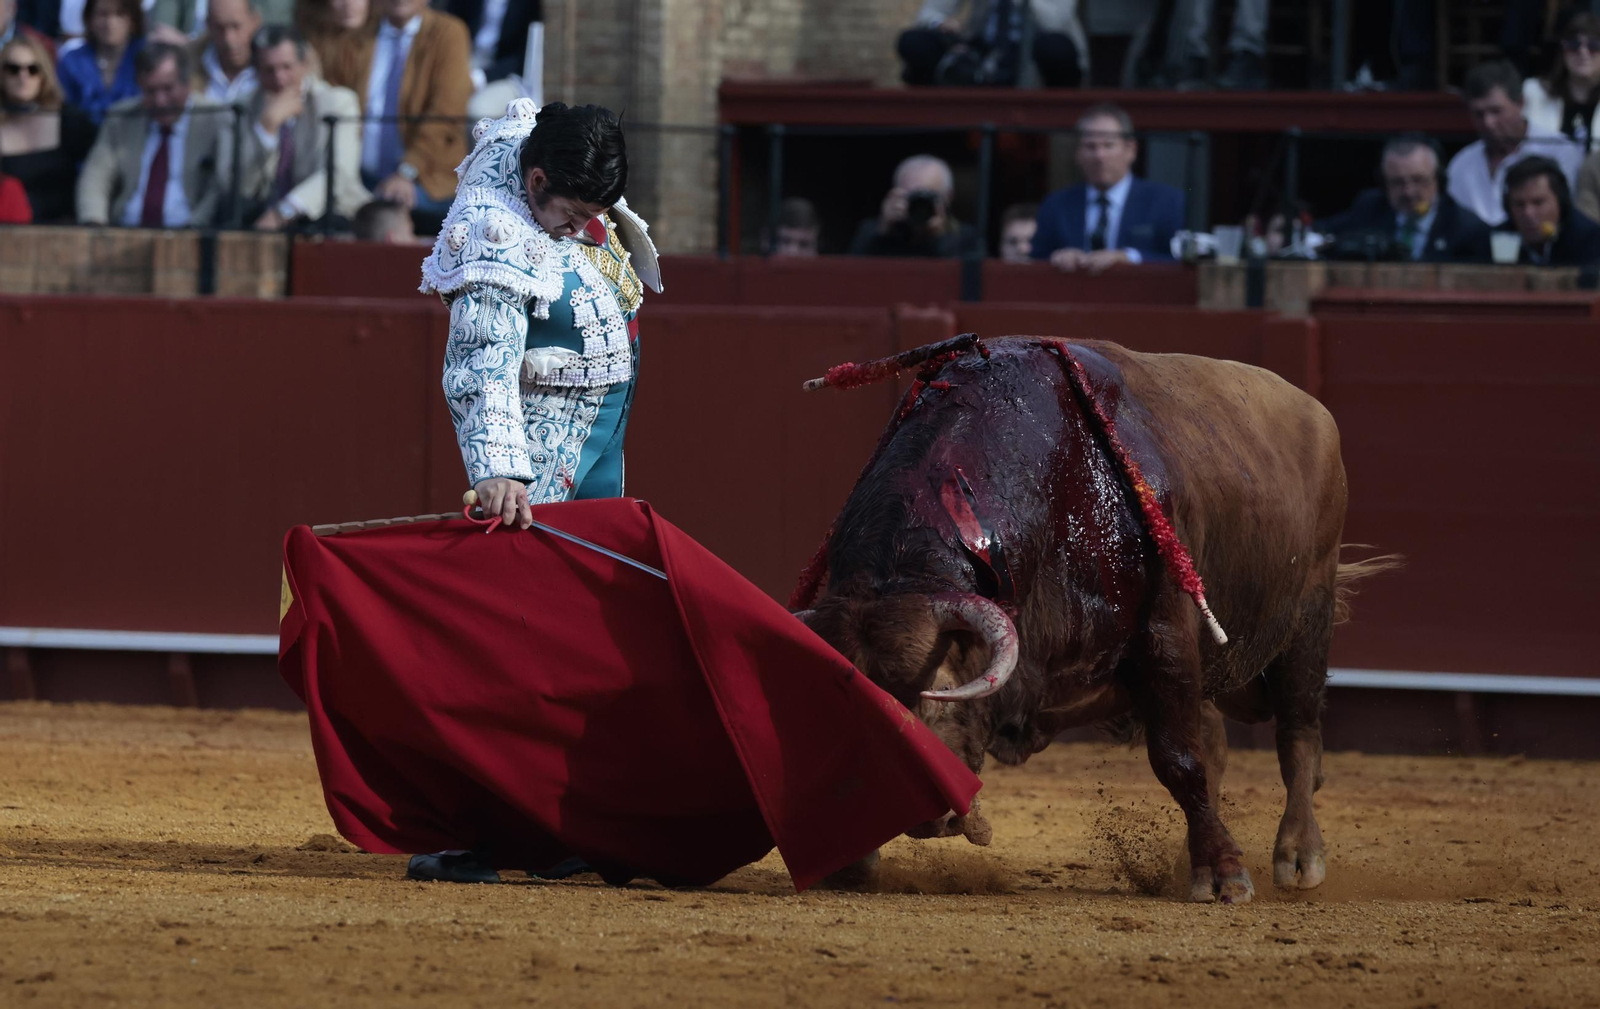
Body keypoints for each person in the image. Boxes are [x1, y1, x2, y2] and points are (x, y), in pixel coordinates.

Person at [411, 101, 662, 885]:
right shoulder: (493, 229)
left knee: (586, 638)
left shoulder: (555, 171)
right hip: (540, 454)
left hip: (597, 443)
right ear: (536, 179)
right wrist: (499, 467)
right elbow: (482, 361)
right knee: (512, 641)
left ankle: (576, 822)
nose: (585, 228)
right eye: (573, 212)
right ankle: (486, 832)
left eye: (595, 212)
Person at [322, 0, 471, 217]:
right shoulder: (359, 34)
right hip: (359, 178)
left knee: (385, 216)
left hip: (426, 180)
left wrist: (407, 172)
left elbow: (446, 115)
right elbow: (334, 98)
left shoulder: (447, 33)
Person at [75, 42, 231, 226]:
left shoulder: (215, 118)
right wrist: (94, 223)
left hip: (193, 232)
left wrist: (196, 227)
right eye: (150, 91)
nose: (160, 101)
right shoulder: (122, 118)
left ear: (187, 84)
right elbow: (96, 176)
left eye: (168, 89)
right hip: (126, 230)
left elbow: (222, 183)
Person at [237, 25, 366, 229]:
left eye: (287, 67)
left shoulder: (337, 102)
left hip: (327, 215)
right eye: (269, 70)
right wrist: (267, 130)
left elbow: (339, 173)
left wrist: (284, 211)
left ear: (304, 64)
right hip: (262, 217)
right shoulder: (243, 107)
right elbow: (236, 184)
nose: (279, 78)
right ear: (256, 71)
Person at [1031, 103, 1183, 271]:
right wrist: (1057, 257)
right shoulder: (1056, 205)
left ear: (1130, 150)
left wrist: (1130, 257)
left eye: (1108, 145)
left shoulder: (1167, 202)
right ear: (1077, 153)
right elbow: (1035, 260)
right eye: (1090, 146)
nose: (1099, 156)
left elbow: (1182, 261)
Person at [1447, 59, 1584, 228]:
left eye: (1496, 111)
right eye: (1478, 114)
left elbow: (1569, 220)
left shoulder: (1560, 151)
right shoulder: (1460, 165)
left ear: (1520, 103)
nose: (1488, 122)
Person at [1316, 136, 1491, 263]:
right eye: (1397, 182)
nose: (1408, 192)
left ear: (1438, 180)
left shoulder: (1466, 228)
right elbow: (1321, 234)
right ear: (1383, 183)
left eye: (1418, 180)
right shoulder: (1369, 208)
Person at [0, 34, 97, 222]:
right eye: (13, 69)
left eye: (33, 69)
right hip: (7, 230)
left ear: (44, 74)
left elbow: (99, 169)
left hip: (62, 229)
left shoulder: (69, 120)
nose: (23, 77)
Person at [897, 0, 1086, 88]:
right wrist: (941, 23)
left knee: (1055, 48)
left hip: (1037, 56)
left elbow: (1056, 21)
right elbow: (928, 14)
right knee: (914, 42)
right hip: (982, 51)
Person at [848, 154, 981, 258]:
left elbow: (966, 278)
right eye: (911, 196)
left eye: (928, 196)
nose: (919, 205)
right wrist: (882, 232)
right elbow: (852, 273)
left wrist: (940, 238)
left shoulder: (966, 238)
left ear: (948, 197)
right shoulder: (874, 231)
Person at [56, 0, 146, 124]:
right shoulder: (72, 61)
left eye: (120, 14)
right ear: (89, 19)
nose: (110, 23)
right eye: (103, 14)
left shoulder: (146, 56)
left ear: (133, 20)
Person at [1522, 13, 1600, 155]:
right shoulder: (1534, 91)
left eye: (1593, 45)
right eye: (1574, 45)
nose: (1583, 52)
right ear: (1563, 51)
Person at [1503, 155, 1600, 267]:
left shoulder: (1590, 240)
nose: (1528, 213)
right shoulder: (1498, 240)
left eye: (1538, 202)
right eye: (1519, 205)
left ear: (1561, 201)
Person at [443, 0, 538, 87]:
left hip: (504, 73)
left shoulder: (527, 4)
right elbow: (451, 24)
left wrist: (481, 77)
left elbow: (524, 55)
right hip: (468, 58)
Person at [192, 0, 261, 103]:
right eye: (220, 28)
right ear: (208, 25)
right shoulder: (186, 64)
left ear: (255, 21)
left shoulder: (277, 67)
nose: (229, 39)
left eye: (236, 26)